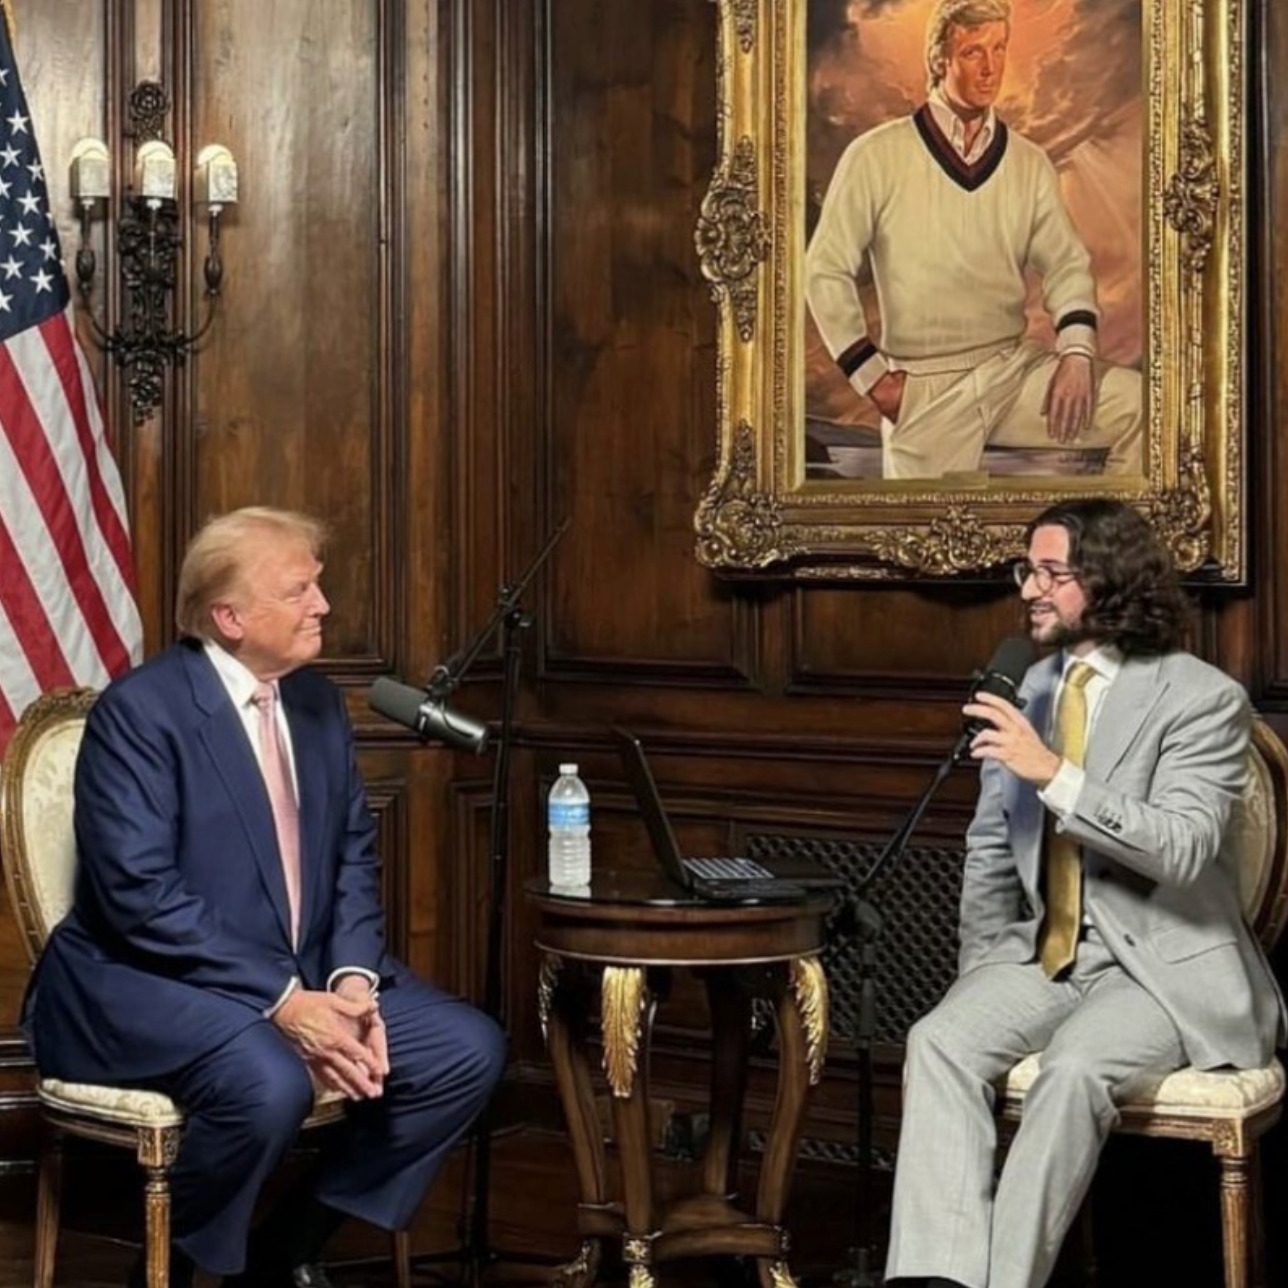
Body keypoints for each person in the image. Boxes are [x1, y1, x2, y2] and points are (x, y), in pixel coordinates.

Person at [21, 507, 507, 1288]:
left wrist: (353, 981)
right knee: (267, 1082)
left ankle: (287, 1249)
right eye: (299, 590)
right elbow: (138, 896)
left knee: (465, 1051)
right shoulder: (142, 712)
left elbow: (352, 856)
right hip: (144, 982)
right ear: (230, 618)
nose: (323, 605)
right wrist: (284, 1000)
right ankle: (174, 1266)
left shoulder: (316, 705)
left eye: (318, 586)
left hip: (304, 968)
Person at [883, 498, 1285, 1288]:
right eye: (1025, 570)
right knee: (939, 1041)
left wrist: (1054, 775)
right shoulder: (1028, 688)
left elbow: (1182, 846)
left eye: (1050, 572)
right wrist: (980, 975)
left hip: (1160, 969)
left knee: (1072, 1071)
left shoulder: (1200, 698)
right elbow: (990, 852)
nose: (1028, 589)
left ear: (1108, 580)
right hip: (1049, 954)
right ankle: (938, 1278)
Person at [804, 0, 1143, 481]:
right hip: (926, 387)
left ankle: (1090, 533)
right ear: (940, 59)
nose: (990, 67)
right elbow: (824, 270)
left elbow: (1066, 265)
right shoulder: (875, 156)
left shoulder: (1027, 162)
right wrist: (873, 379)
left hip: (1013, 371)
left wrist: (1075, 351)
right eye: (973, 52)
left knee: (1138, 406)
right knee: (928, 525)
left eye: (999, 49)